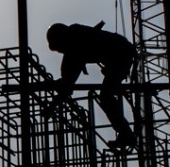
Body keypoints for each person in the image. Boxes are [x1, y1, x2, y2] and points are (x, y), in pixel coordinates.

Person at [46, 21, 137, 150]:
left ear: (61, 40)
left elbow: (68, 83)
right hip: (121, 53)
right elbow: (68, 80)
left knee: (106, 97)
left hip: (121, 54)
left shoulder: (75, 45)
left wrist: (52, 106)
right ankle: (126, 134)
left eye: (59, 48)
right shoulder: (75, 37)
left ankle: (126, 135)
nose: (60, 51)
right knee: (107, 95)